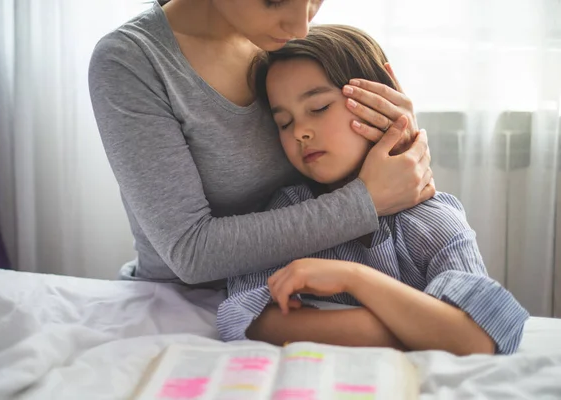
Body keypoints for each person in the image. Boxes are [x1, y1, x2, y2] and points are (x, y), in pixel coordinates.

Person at [216, 25, 529, 356]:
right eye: (284, 123)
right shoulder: (289, 209)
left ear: (384, 93)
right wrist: (421, 330)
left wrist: (353, 278)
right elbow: (252, 321)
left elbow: (478, 337)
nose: (300, 133)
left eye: (319, 107)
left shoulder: (430, 219)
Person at [89, 0, 434, 286]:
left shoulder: (282, 43)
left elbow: (369, 180)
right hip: (185, 306)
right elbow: (189, 252)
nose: (301, 26)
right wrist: (366, 201)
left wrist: (398, 147)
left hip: (308, 291)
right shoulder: (131, 60)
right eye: (275, 0)